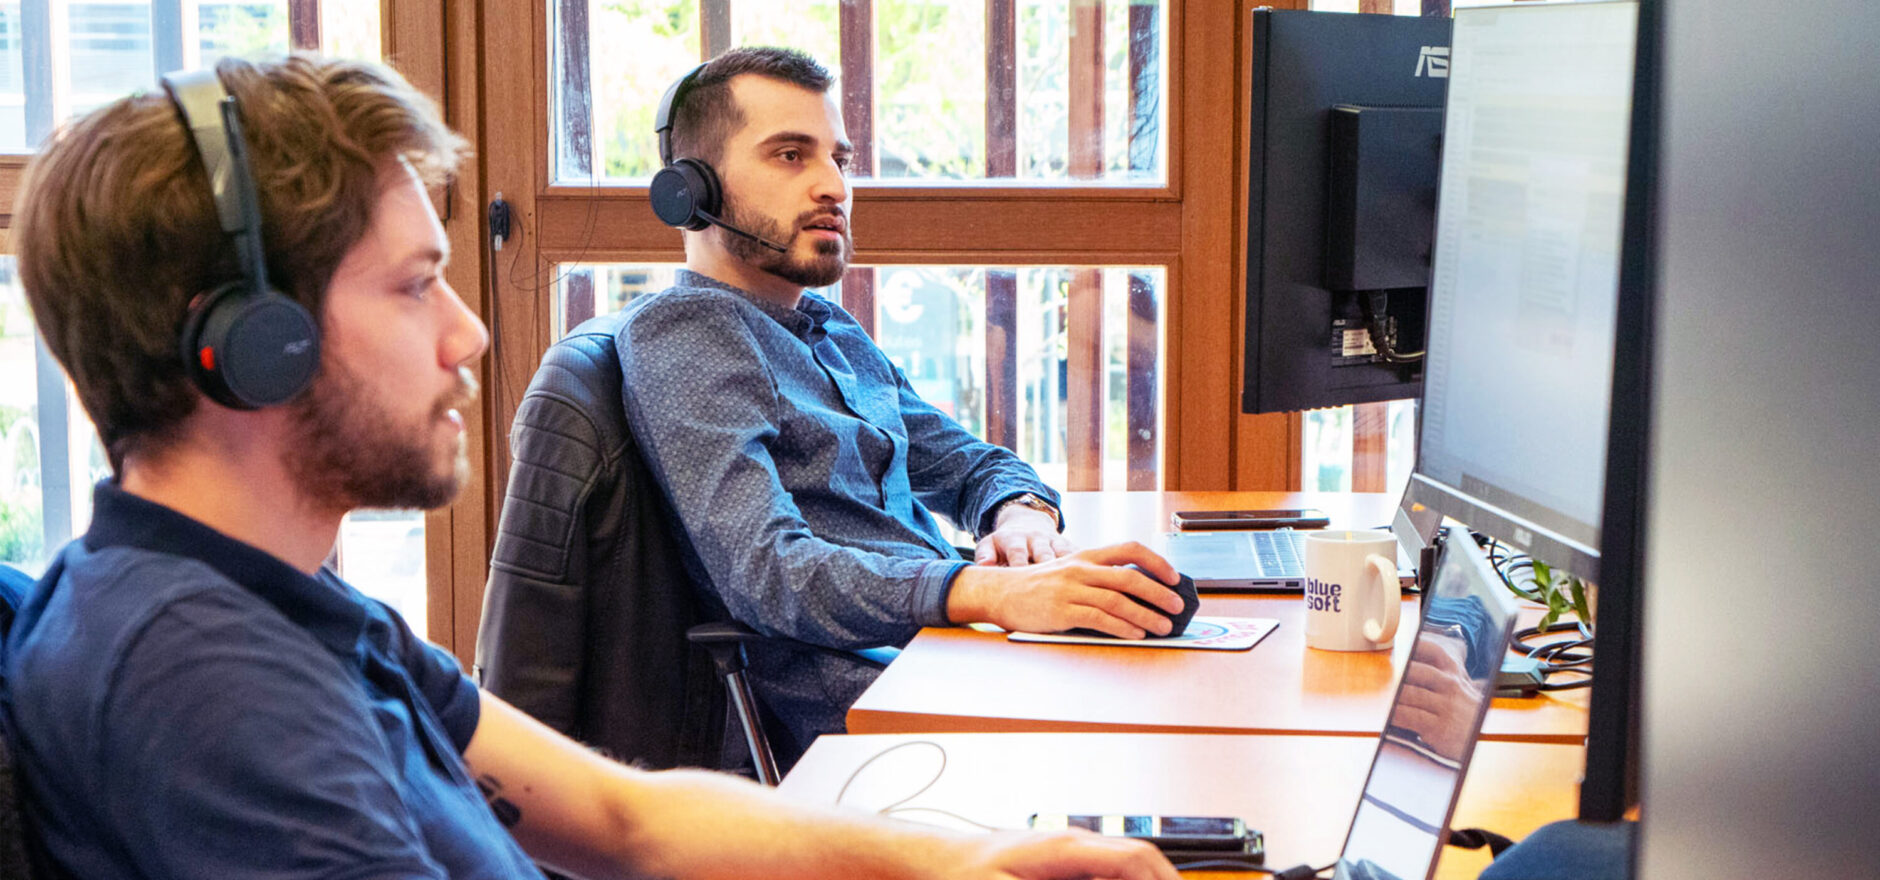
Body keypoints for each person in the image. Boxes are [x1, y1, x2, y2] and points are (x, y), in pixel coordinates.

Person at [0, 55, 1179, 880]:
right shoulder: (207, 683)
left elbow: (629, 817)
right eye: (416, 286)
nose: (469, 335)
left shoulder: (293, 608)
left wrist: (963, 861)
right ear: (257, 345)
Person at [591, 47, 1184, 750]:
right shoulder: (688, 336)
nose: (834, 187)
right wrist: (984, 592)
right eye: (790, 156)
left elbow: (965, 465)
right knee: (1176, 721)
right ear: (691, 191)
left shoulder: (825, 327)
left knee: (1192, 665)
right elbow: (769, 573)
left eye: (839, 159)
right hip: (877, 716)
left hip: (943, 660)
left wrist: (1019, 514)